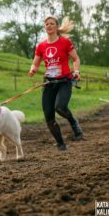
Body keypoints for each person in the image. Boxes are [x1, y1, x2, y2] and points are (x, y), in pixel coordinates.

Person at [28, 15, 83, 151]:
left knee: (60, 107)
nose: (49, 25)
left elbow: (76, 59)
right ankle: (61, 144)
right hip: (49, 83)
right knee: (49, 116)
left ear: (57, 27)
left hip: (64, 81)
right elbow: (35, 63)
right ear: (44, 27)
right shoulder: (41, 46)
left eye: (52, 23)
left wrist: (76, 71)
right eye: (47, 24)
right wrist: (33, 69)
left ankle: (73, 123)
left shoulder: (65, 42)